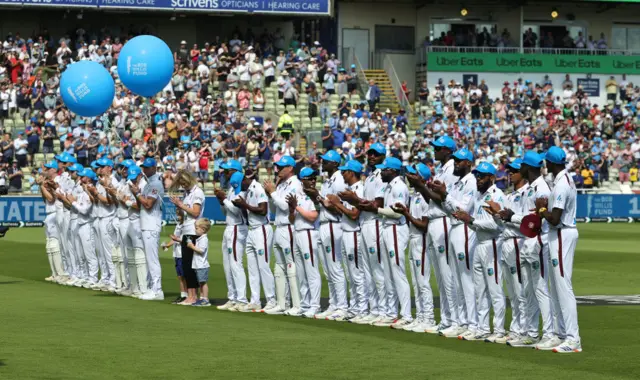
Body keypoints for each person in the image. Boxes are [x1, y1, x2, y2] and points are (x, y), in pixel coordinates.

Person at [500, 151, 559, 349]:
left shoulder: (541, 188)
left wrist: (511, 217)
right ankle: (531, 332)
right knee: (529, 290)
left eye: (522, 165)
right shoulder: (532, 188)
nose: (519, 168)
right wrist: (514, 217)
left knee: (541, 289)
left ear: (528, 168)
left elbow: (535, 221)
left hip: (538, 242)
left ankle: (550, 333)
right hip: (527, 243)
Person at [451, 162, 507, 342]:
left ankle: (498, 329)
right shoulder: (477, 195)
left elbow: (497, 225)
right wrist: (468, 221)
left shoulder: (497, 195)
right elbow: (476, 222)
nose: (478, 179)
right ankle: (482, 327)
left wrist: (471, 220)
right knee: (480, 289)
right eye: (477, 176)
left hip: (492, 243)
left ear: (491, 177)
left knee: (495, 289)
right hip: (479, 242)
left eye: (482, 176)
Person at [409, 135, 459, 334]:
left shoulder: (452, 169)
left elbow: (442, 199)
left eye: (438, 148)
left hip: (443, 219)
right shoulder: (443, 169)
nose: (435, 150)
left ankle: (455, 320)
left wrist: (422, 186)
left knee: (448, 275)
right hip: (436, 221)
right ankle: (447, 319)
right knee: (440, 276)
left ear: (448, 150)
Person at [537, 146, 581, 353]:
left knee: (563, 287)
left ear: (551, 163)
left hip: (563, 233)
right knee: (556, 287)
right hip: (560, 234)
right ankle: (561, 334)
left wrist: (542, 209)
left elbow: (554, 219)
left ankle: (573, 339)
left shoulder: (562, 183)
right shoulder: (563, 179)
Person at [340, 142, 387, 325]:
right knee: (368, 271)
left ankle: (384, 310)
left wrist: (355, 200)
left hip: (374, 222)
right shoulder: (371, 176)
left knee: (377, 270)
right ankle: (374, 309)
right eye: (370, 153)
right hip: (365, 223)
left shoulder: (381, 176)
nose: (372, 156)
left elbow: (377, 205)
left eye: (376, 154)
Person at [434, 148, 478, 339]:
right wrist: (443, 196)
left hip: (464, 228)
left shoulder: (471, 181)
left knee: (466, 278)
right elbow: (448, 207)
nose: (456, 163)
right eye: (456, 160)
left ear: (468, 163)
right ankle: (461, 321)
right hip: (454, 227)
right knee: (457, 278)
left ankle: (473, 323)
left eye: (460, 161)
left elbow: (463, 209)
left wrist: (445, 195)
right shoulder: (460, 182)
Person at [302, 150, 348, 320]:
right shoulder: (328, 181)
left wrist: (318, 197)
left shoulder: (339, 181)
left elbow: (338, 208)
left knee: (335, 268)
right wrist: (316, 197)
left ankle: (342, 306)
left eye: (326, 161)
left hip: (334, 225)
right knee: (328, 270)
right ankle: (333, 304)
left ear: (335, 163)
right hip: (324, 224)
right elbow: (323, 203)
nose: (323, 163)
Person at [393, 163, 436, 333]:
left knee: (423, 281)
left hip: (422, 240)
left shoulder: (425, 197)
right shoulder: (415, 195)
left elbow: (424, 225)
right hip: (413, 239)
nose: (409, 177)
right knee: (416, 282)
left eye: (412, 174)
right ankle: (420, 316)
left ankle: (429, 318)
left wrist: (406, 214)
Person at [374, 157, 412, 328]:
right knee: (388, 273)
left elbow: (398, 213)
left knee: (397, 272)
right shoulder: (390, 186)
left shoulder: (399, 186)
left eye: (385, 169)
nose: (382, 172)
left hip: (396, 228)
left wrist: (376, 209)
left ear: (394, 171)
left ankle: (406, 314)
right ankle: (391, 312)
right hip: (388, 228)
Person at [232, 169, 277, 313]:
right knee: (252, 268)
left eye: (242, 183)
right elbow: (248, 212)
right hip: (252, 230)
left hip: (262, 229)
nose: (242, 187)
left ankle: (271, 300)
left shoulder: (258, 188)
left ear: (247, 179)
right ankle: (255, 301)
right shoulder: (248, 190)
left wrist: (244, 205)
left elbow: (263, 210)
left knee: (263, 266)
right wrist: (241, 206)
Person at [327, 160, 366, 322]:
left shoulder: (359, 189)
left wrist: (337, 204)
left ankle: (362, 309)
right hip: (346, 231)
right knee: (351, 274)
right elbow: (344, 212)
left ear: (351, 173)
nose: (342, 174)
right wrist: (332, 204)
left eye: (344, 171)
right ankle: (355, 307)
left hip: (354, 233)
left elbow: (355, 214)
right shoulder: (349, 189)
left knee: (357, 274)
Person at [263, 155, 303, 315]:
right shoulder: (281, 185)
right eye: (277, 166)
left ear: (290, 168)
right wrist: (271, 194)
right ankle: (282, 303)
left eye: (281, 167)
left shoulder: (295, 184)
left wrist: (272, 193)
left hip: (288, 228)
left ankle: (297, 304)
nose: (277, 169)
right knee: (279, 267)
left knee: (290, 265)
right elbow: (274, 209)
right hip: (278, 226)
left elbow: (286, 207)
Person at [495, 158, 527, 344]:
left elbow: (525, 222)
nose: (510, 174)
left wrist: (508, 216)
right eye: (509, 171)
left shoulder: (525, 194)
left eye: (514, 171)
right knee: (512, 291)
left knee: (519, 289)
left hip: (517, 242)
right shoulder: (510, 195)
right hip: (506, 241)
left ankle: (523, 330)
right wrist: (497, 214)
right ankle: (516, 328)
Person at [214, 159, 248, 311]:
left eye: (227, 171)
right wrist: (222, 201)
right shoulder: (231, 189)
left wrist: (224, 200)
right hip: (229, 227)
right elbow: (225, 211)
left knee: (235, 264)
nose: (225, 173)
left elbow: (237, 210)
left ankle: (241, 299)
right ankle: (232, 297)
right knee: (227, 265)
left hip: (237, 227)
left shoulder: (240, 189)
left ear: (235, 171)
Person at [170, 170, 206, 306]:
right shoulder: (188, 193)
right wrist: (179, 206)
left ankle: (193, 296)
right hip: (186, 230)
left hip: (192, 230)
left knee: (190, 266)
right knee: (186, 266)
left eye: (184, 183)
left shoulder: (197, 193)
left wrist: (181, 205)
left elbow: (195, 212)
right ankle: (190, 296)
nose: (183, 186)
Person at [131, 157, 165, 301]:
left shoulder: (156, 183)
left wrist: (137, 194)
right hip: (146, 223)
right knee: (149, 258)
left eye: (146, 167)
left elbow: (148, 204)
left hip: (152, 224)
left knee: (152, 259)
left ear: (153, 168)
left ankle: (157, 290)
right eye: (143, 167)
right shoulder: (149, 184)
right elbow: (141, 205)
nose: (143, 169)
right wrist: (136, 193)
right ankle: (152, 287)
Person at [290, 168, 322, 318]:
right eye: (309, 178)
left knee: (311, 270)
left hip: (309, 232)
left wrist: (296, 206)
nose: (313, 181)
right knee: (301, 272)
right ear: (302, 179)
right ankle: (305, 303)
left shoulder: (315, 196)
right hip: (297, 232)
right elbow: (292, 219)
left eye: (314, 178)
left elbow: (312, 217)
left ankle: (315, 305)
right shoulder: (298, 194)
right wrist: (292, 209)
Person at [122, 165, 149, 298]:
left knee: (139, 256)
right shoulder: (131, 184)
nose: (132, 181)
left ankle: (143, 288)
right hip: (130, 220)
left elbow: (142, 206)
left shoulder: (144, 186)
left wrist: (127, 203)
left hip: (139, 221)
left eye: (134, 178)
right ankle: (134, 287)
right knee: (130, 256)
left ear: (140, 175)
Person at [39, 160, 65, 282]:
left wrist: (41, 187)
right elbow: (45, 200)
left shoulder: (58, 181)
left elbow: (50, 199)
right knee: (49, 245)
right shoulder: (49, 182)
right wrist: (43, 186)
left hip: (56, 212)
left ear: (54, 170)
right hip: (50, 213)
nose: (46, 171)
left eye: (49, 169)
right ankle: (54, 273)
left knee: (55, 245)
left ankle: (60, 273)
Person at [187, 218, 212, 306]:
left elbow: (201, 250)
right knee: (200, 282)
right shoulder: (200, 238)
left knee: (203, 282)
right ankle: (202, 298)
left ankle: (205, 299)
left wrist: (191, 246)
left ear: (203, 229)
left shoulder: (204, 239)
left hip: (202, 265)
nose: (195, 230)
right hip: (198, 264)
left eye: (197, 228)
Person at [165, 211, 187, 304]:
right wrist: (167, 245)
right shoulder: (178, 224)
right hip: (177, 254)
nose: (177, 215)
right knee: (180, 276)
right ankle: (183, 295)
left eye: (179, 214)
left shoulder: (186, 226)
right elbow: (175, 238)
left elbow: (184, 240)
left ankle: (188, 295)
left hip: (183, 253)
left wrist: (175, 239)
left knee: (184, 276)